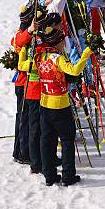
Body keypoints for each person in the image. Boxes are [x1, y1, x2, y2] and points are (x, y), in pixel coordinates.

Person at [35, 25, 94, 186]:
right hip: (60, 105)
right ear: (56, 42)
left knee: (47, 141)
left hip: (44, 104)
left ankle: (49, 175)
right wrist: (86, 54)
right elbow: (74, 71)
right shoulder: (58, 58)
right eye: (62, 41)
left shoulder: (40, 56)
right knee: (67, 140)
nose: (64, 43)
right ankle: (68, 175)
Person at [10, 3, 35, 164]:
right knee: (24, 119)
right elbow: (20, 40)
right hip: (23, 83)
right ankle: (22, 152)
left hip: (27, 84)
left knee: (25, 118)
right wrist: (31, 30)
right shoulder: (21, 35)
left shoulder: (24, 34)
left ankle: (23, 151)